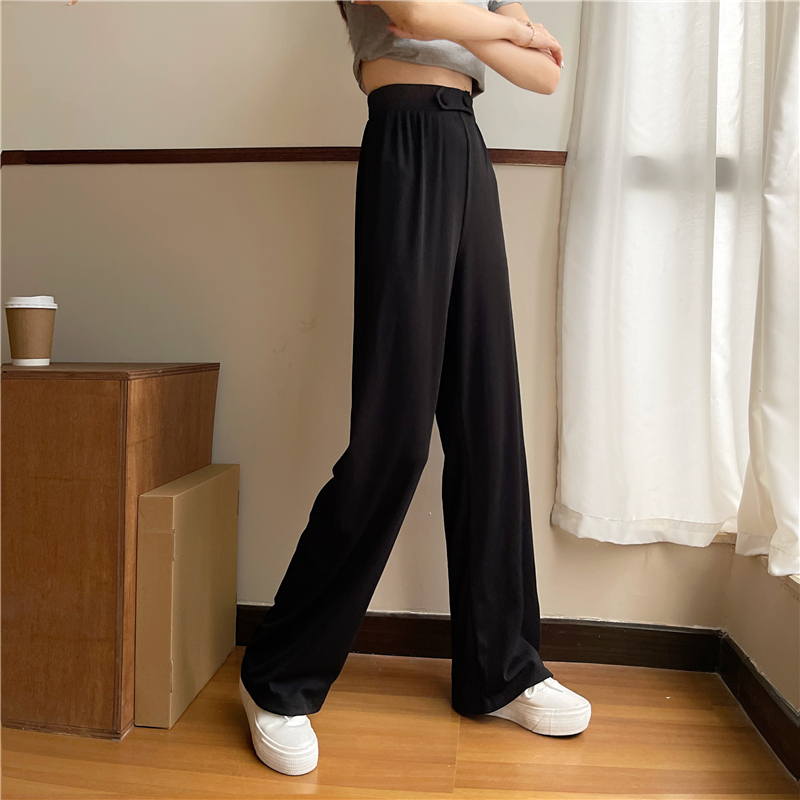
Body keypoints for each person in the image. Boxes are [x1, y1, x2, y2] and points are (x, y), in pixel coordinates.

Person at [239, 0, 589, 777]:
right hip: (403, 139)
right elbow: (410, 14)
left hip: (466, 147)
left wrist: (490, 30)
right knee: (392, 440)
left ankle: (502, 668)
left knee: (487, 422)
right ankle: (276, 678)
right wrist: (508, 28)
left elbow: (543, 75)